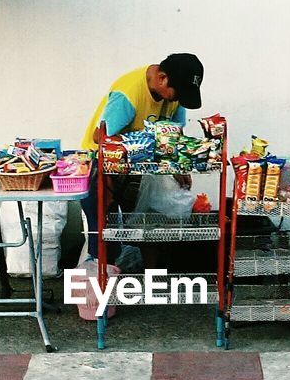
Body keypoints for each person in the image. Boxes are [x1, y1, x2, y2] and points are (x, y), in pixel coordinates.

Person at [80, 53, 204, 259]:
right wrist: (139, 145)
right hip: (100, 163)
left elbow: (175, 135)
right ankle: (102, 280)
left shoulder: (176, 96)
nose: (178, 100)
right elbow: (100, 136)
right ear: (162, 78)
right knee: (104, 233)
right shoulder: (128, 93)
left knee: (145, 227)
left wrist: (178, 167)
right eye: (178, 94)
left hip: (138, 166)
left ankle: (144, 281)